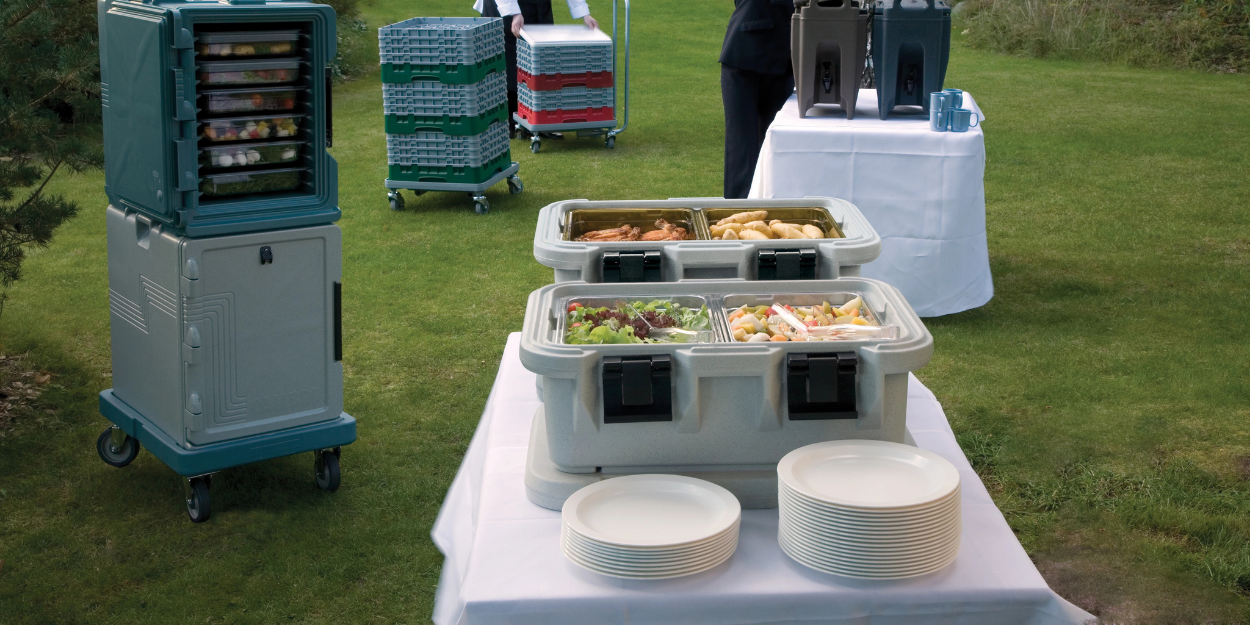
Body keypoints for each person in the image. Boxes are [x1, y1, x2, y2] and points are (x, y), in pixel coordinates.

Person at [475, 0, 599, 137]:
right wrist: (514, 13)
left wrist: (584, 13)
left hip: (537, 5)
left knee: (541, 59)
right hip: (502, 6)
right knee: (506, 61)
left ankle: (536, 122)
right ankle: (507, 122)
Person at [719, 0, 796, 199]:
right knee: (742, 150)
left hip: (783, 61)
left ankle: (774, 214)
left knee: (777, 147)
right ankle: (735, 215)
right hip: (743, 58)